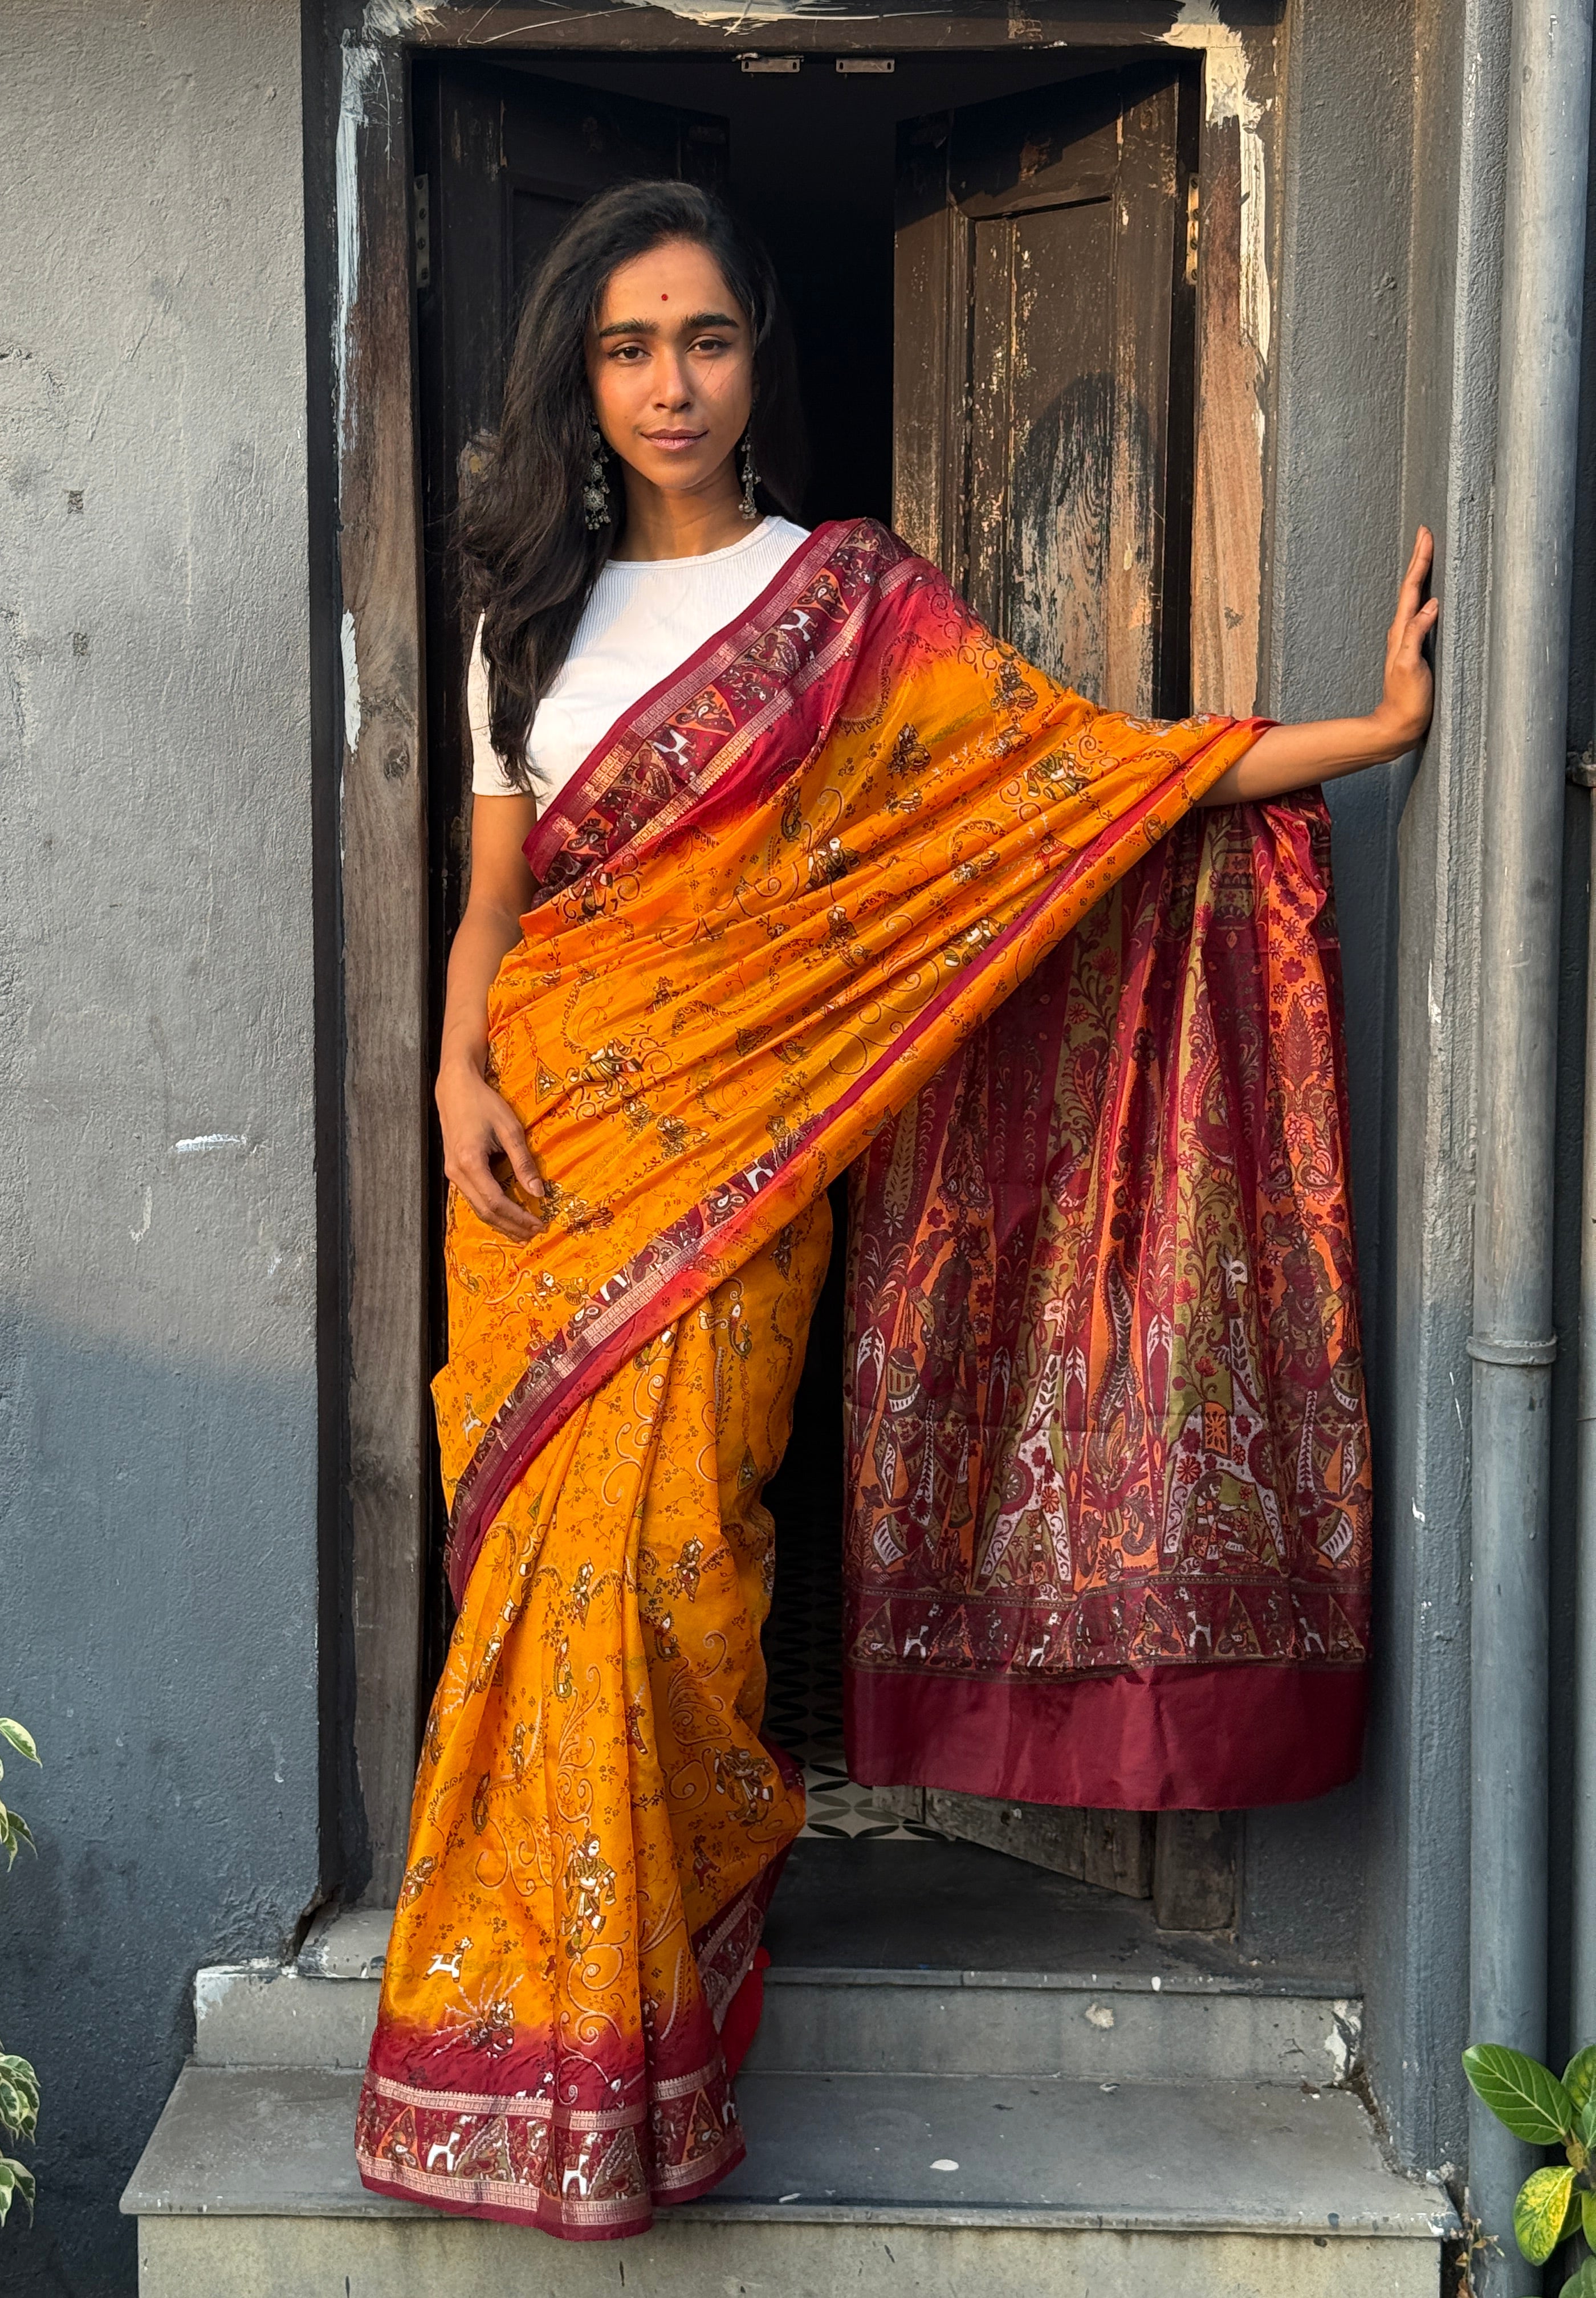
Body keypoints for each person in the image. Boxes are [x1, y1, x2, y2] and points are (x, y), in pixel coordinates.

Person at [356, 180, 1435, 2240]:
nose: (671, 384)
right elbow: (497, 904)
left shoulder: (847, 604)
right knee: (535, 1590)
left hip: (750, 1152)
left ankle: (642, 2033)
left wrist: (1359, 739)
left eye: (705, 339)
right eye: (628, 347)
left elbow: (1064, 785)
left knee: (677, 1574)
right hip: (548, 1160)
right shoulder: (525, 619)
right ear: (579, 383)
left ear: (759, 358)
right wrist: (453, 1064)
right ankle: (509, 2060)